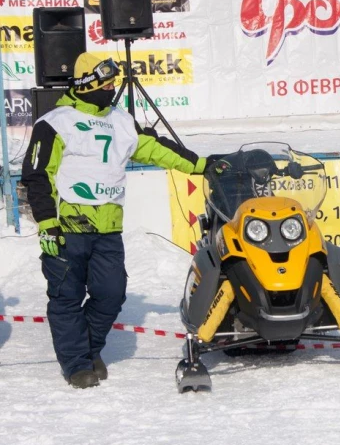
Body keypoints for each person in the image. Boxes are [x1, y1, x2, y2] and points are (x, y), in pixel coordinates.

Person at [21, 53, 212, 388]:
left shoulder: (121, 120)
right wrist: (47, 223)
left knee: (111, 294)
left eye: (112, 83)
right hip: (67, 229)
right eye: (106, 83)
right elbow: (37, 175)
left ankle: (90, 348)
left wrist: (202, 165)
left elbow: (156, 149)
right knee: (65, 297)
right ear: (87, 84)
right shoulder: (54, 122)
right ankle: (77, 364)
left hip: (108, 229)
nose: (112, 89)